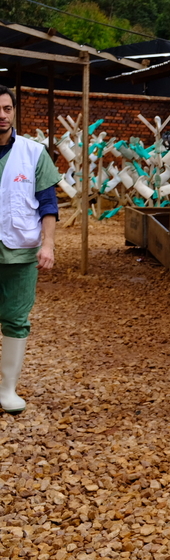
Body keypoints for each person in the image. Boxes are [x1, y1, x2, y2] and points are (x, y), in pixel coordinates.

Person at [0, 85, 59, 415]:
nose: (2, 115)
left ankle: (7, 389)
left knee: (16, 318)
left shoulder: (33, 152)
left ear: (14, 111)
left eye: (7, 109)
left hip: (21, 250)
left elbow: (48, 204)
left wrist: (48, 243)